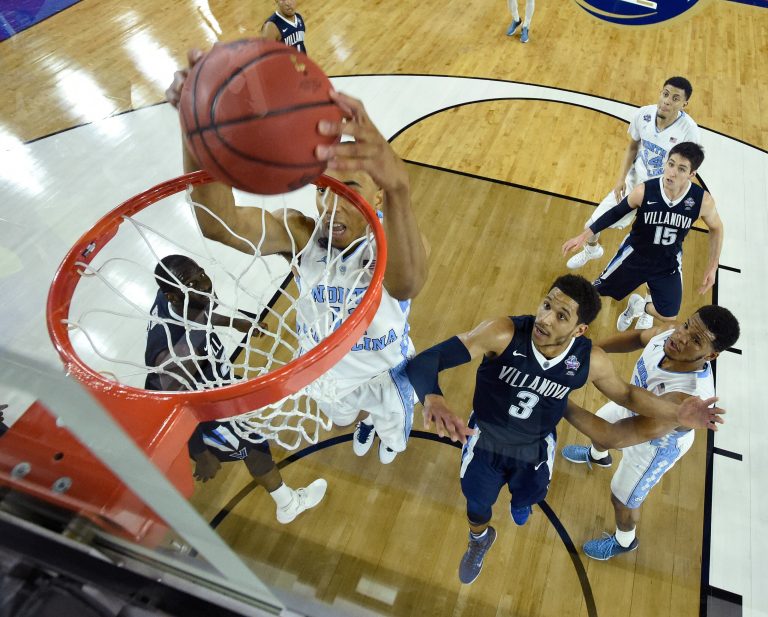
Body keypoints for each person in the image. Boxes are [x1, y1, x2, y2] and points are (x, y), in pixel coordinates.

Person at [166, 50, 429, 465]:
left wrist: (400, 191)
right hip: (326, 369)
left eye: (350, 188)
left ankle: (381, 429)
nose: (332, 203)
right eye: (324, 188)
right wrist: (196, 133)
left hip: (384, 372)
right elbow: (218, 224)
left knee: (393, 431)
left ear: (376, 194)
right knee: (341, 420)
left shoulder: (393, 237)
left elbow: (406, 284)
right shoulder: (302, 234)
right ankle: (361, 421)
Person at [404, 274, 724, 585]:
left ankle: (523, 502)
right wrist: (432, 397)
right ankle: (479, 540)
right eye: (545, 306)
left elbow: (626, 396)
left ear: (579, 329)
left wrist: (677, 413)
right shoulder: (503, 332)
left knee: (531, 495)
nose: (544, 319)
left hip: (536, 446)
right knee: (476, 506)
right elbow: (426, 361)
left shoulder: (589, 361)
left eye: (561, 316)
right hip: (484, 438)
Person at [145, 254, 327, 524]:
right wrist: (199, 452)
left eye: (201, 274)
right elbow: (177, 404)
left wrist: (237, 323)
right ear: (172, 296)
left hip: (215, 385)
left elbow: (201, 315)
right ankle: (288, 504)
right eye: (191, 284)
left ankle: (285, 500)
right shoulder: (172, 353)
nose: (203, 285)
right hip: (208, 417)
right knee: (255, 448)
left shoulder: (174, 298)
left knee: (255, 441)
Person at [561, 305, 740, 560]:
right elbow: (636, 338)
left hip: (656, 445)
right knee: (598, 424)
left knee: (622, 499)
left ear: (711, 356)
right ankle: (598, 457)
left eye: (696, 340)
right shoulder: (671, 333)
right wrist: (588, 351)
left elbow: (613, 436)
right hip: (633, 408)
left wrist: (557, 402)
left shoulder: (685, 397)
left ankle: (625, 541)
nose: (681, 337)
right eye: (687, 325)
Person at [562, 141, 723, 332]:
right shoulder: (644, 191)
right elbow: (616, 213)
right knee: (594, 291)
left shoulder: (701, 201)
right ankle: (565, 321)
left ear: (692, 174)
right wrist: (584, 235)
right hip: (635, 256)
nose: (672, 172)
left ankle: (639, 307)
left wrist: (712, 267)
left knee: (669, 315)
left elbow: (717, 229)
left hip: (667, 262)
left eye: (681, 169)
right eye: (670, 164)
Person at [565, 77, 701, 291]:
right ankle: (592, 250)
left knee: (656, 255)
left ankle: (646, 303)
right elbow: (632, 147)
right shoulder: (643, 115)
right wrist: (620, 179)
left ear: (684, 104)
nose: (667, 101)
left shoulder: (689, 131)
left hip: (661, 195)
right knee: (591, 225)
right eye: (665, 94)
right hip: (633, 183)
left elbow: (686, 169)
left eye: (675, 98)